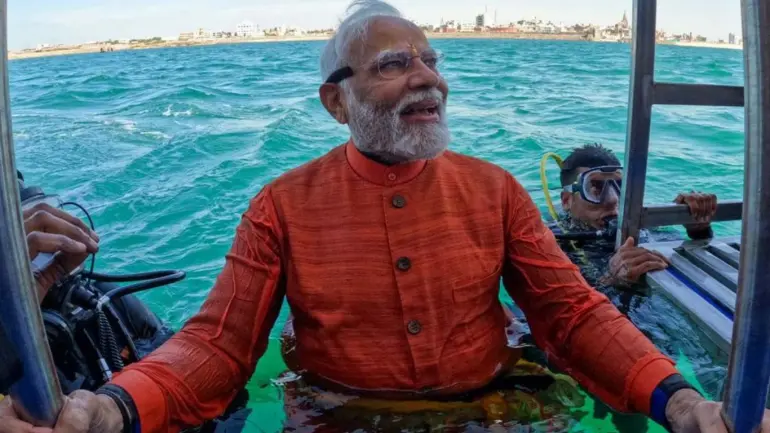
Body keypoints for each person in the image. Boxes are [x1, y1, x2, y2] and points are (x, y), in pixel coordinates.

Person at [1, 2, 767, 433]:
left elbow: (570, 314)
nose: (428, 78)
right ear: (335, 100)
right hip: (342, 414)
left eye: (432, 60)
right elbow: (218, 345)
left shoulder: (494, 188)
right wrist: (114, 409)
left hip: (496, 404)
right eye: (395, 64)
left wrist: (681, 399)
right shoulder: (280, 205)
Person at [552, 143, 718, 289]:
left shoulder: (643, 228)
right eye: (595, 188)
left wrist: (699, 228)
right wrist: (612, 280)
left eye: (620, 186)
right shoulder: (554, 248)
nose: (613, 199)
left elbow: (700, 270)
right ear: (567, 201)